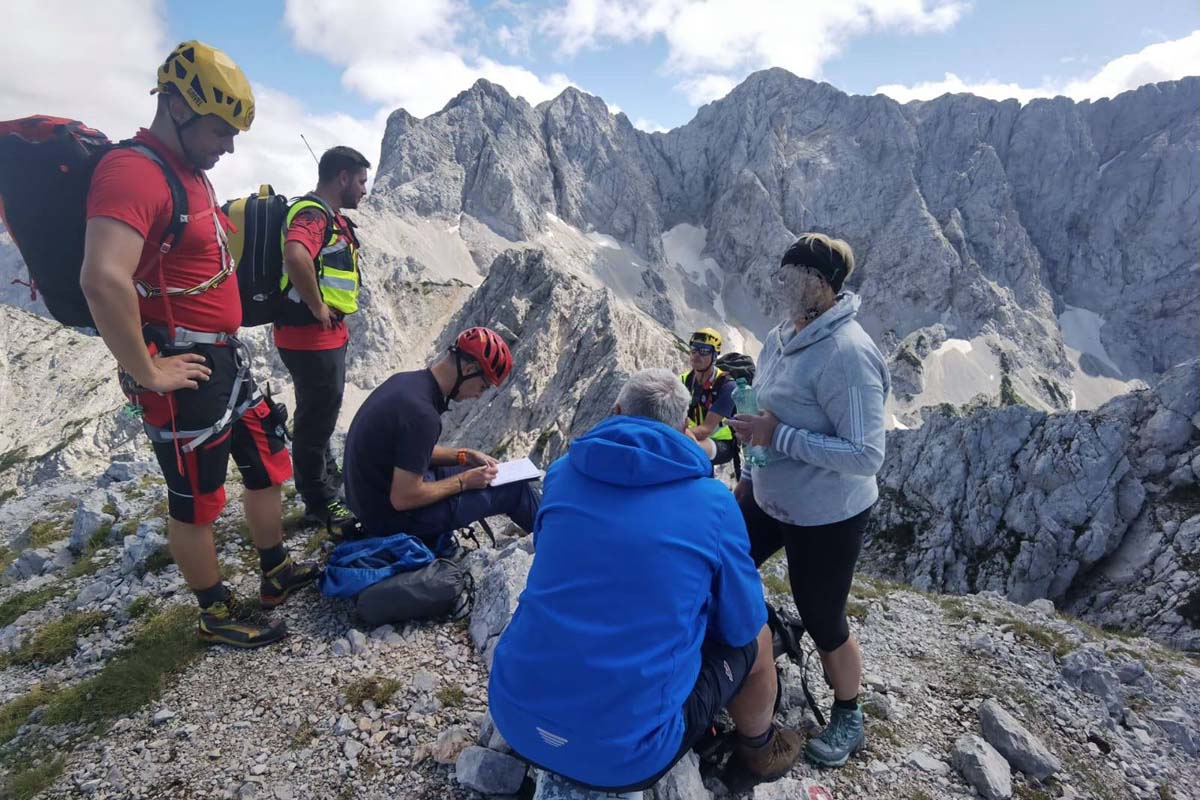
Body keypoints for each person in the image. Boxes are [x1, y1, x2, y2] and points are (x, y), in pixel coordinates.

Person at [80, 41, 317, 648]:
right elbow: (102, 277)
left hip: (222, 358)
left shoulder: (188, 172)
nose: (229, 146)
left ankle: (275, 570)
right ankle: (215, 613)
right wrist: (147, 370)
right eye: (221, 130)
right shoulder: (133, 172)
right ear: (179, 107)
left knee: (266, 460)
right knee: (197, 498)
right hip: (182, 367)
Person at [489, 368, 802, 792]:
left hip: (514, 718)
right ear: (683, 427)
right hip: (626, 757)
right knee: (758, 636)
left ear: (617, 411)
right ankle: (761, 750)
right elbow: (740, 624)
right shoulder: (712, 503)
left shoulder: (562, 474)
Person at [727, 233, 890, 768]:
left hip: (827, 513)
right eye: (782, 273)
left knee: (823, 616)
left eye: (793, 276)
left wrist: (779, 437)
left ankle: (849, 715)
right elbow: (765, 409)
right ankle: (746, 652)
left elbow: (866, 453)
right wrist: (750, 470)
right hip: (770, 493)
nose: (781, 284)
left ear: (822, 285)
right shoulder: (782, 336)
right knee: (722, 559)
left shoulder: (847, 354)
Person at [342, 327, 539, 546]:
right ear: (469, 369)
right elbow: (403, 498)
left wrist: (464, 456)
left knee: (483, 474)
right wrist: (464, 481)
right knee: (514, 490)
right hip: (390, 520)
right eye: (483, 386)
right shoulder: (423, 415)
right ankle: (561, 544)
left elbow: (408, 451)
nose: (478, 395)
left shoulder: (407, 382)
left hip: (370, 502)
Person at [275, 145, 370, 527]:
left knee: (320, 414)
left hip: (318, 338)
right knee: (315, 421)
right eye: (361, 181)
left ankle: (328, 482)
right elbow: (296, 255)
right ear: (342, 177)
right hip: (310, 339)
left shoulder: (326, 215)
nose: (364, 189)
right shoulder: (314, 215)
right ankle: (319, 501)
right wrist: (317, 307)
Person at [681, 327, 739, 470]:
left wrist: (673, 436)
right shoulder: (684, 380)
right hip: (691, 435)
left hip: (721, 443)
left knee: (690, 450)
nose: (697, 355)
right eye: (694, 349)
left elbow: (706, 429)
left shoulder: (727, 386)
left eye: (704, 351)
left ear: (714, 356)